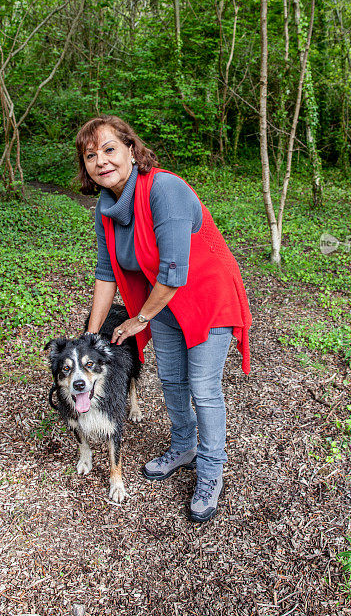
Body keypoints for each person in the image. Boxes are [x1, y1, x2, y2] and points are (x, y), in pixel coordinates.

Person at [76, 115, 251, 523]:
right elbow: (106, 272)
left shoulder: (164, 190)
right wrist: (88, 338)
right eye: (90, 155)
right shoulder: (106, 209)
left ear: (132, 151)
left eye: (109, 149)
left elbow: (174, 271)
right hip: (166, 304)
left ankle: (210, 470)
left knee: (204, 388)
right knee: (171, 379)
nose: (100, 161)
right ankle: (184, 446)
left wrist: (138, 319)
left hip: (206, 297)